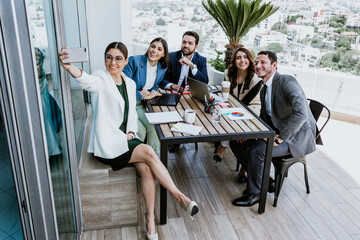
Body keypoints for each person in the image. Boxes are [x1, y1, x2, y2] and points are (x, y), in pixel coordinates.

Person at [59, 42, 199, 240]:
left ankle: (150, 219)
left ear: (126, 61)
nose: (112, 62)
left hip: (126, 139)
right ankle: (180, 197)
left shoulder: (130, 83)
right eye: (109, 57)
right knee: (150, 152)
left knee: (148, 171)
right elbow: (86, 80)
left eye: (118, 58)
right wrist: (70, 67)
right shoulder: (101, 78)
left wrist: (132, 133)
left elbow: (132, 114)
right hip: (109, 144)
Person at [230, 51, 317, 207]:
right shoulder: (264, 87)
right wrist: (251, 134)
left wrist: (280, 138)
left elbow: (301, 114)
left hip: (295, 138)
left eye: (263, 62)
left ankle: (255, 193)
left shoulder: (287, 82)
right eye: (256, 63)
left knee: (258, 149)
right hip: (276, 131)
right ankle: (266, 182)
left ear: (274, 65)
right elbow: (266, 117)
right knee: (236, 142)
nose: (258, 66)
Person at [213, 48, 262, 182]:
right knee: (220, 113)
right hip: (234, 107)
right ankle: (225, 146)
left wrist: (239, 127)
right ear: (234, 61)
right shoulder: (228, 73)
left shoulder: (256, 79)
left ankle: (225, 150)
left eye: (245, 57)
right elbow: (226, 95)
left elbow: (246, 104)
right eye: (238, 58)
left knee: (238, 129)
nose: (242, 60)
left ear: (250, 60)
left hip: (251, 109)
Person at [160, 31, 209, 152]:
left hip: (191, 96)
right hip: (173, 94)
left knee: (194, 112)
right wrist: (173, 86)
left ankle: (180, 139)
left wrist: (192, 65)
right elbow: (161, 79)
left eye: (190, 43)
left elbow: (205, 81)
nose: (186, 45)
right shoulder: (171, 57)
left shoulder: (201, 60)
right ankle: (176, 140)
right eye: (184, 42)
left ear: (196, 46)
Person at [123, 37, 170, 154]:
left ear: (163, 54)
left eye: (159, 49)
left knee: (155, 127)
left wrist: (151, 92)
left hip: (141, 106)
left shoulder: (162, 68)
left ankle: (154, 159)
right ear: (149, 47)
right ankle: (138, 159)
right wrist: (142, 95)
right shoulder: (134, 61)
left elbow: (155, 84)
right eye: (152, 46)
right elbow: (123, 88)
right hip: (128, 104)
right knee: (141, 131)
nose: (154, 50)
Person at [36, 47, 62, 157]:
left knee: (45, 122)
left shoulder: (39, 71)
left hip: (41, 98)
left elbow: (41, 80)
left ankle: (51, 149)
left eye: (38, 60)